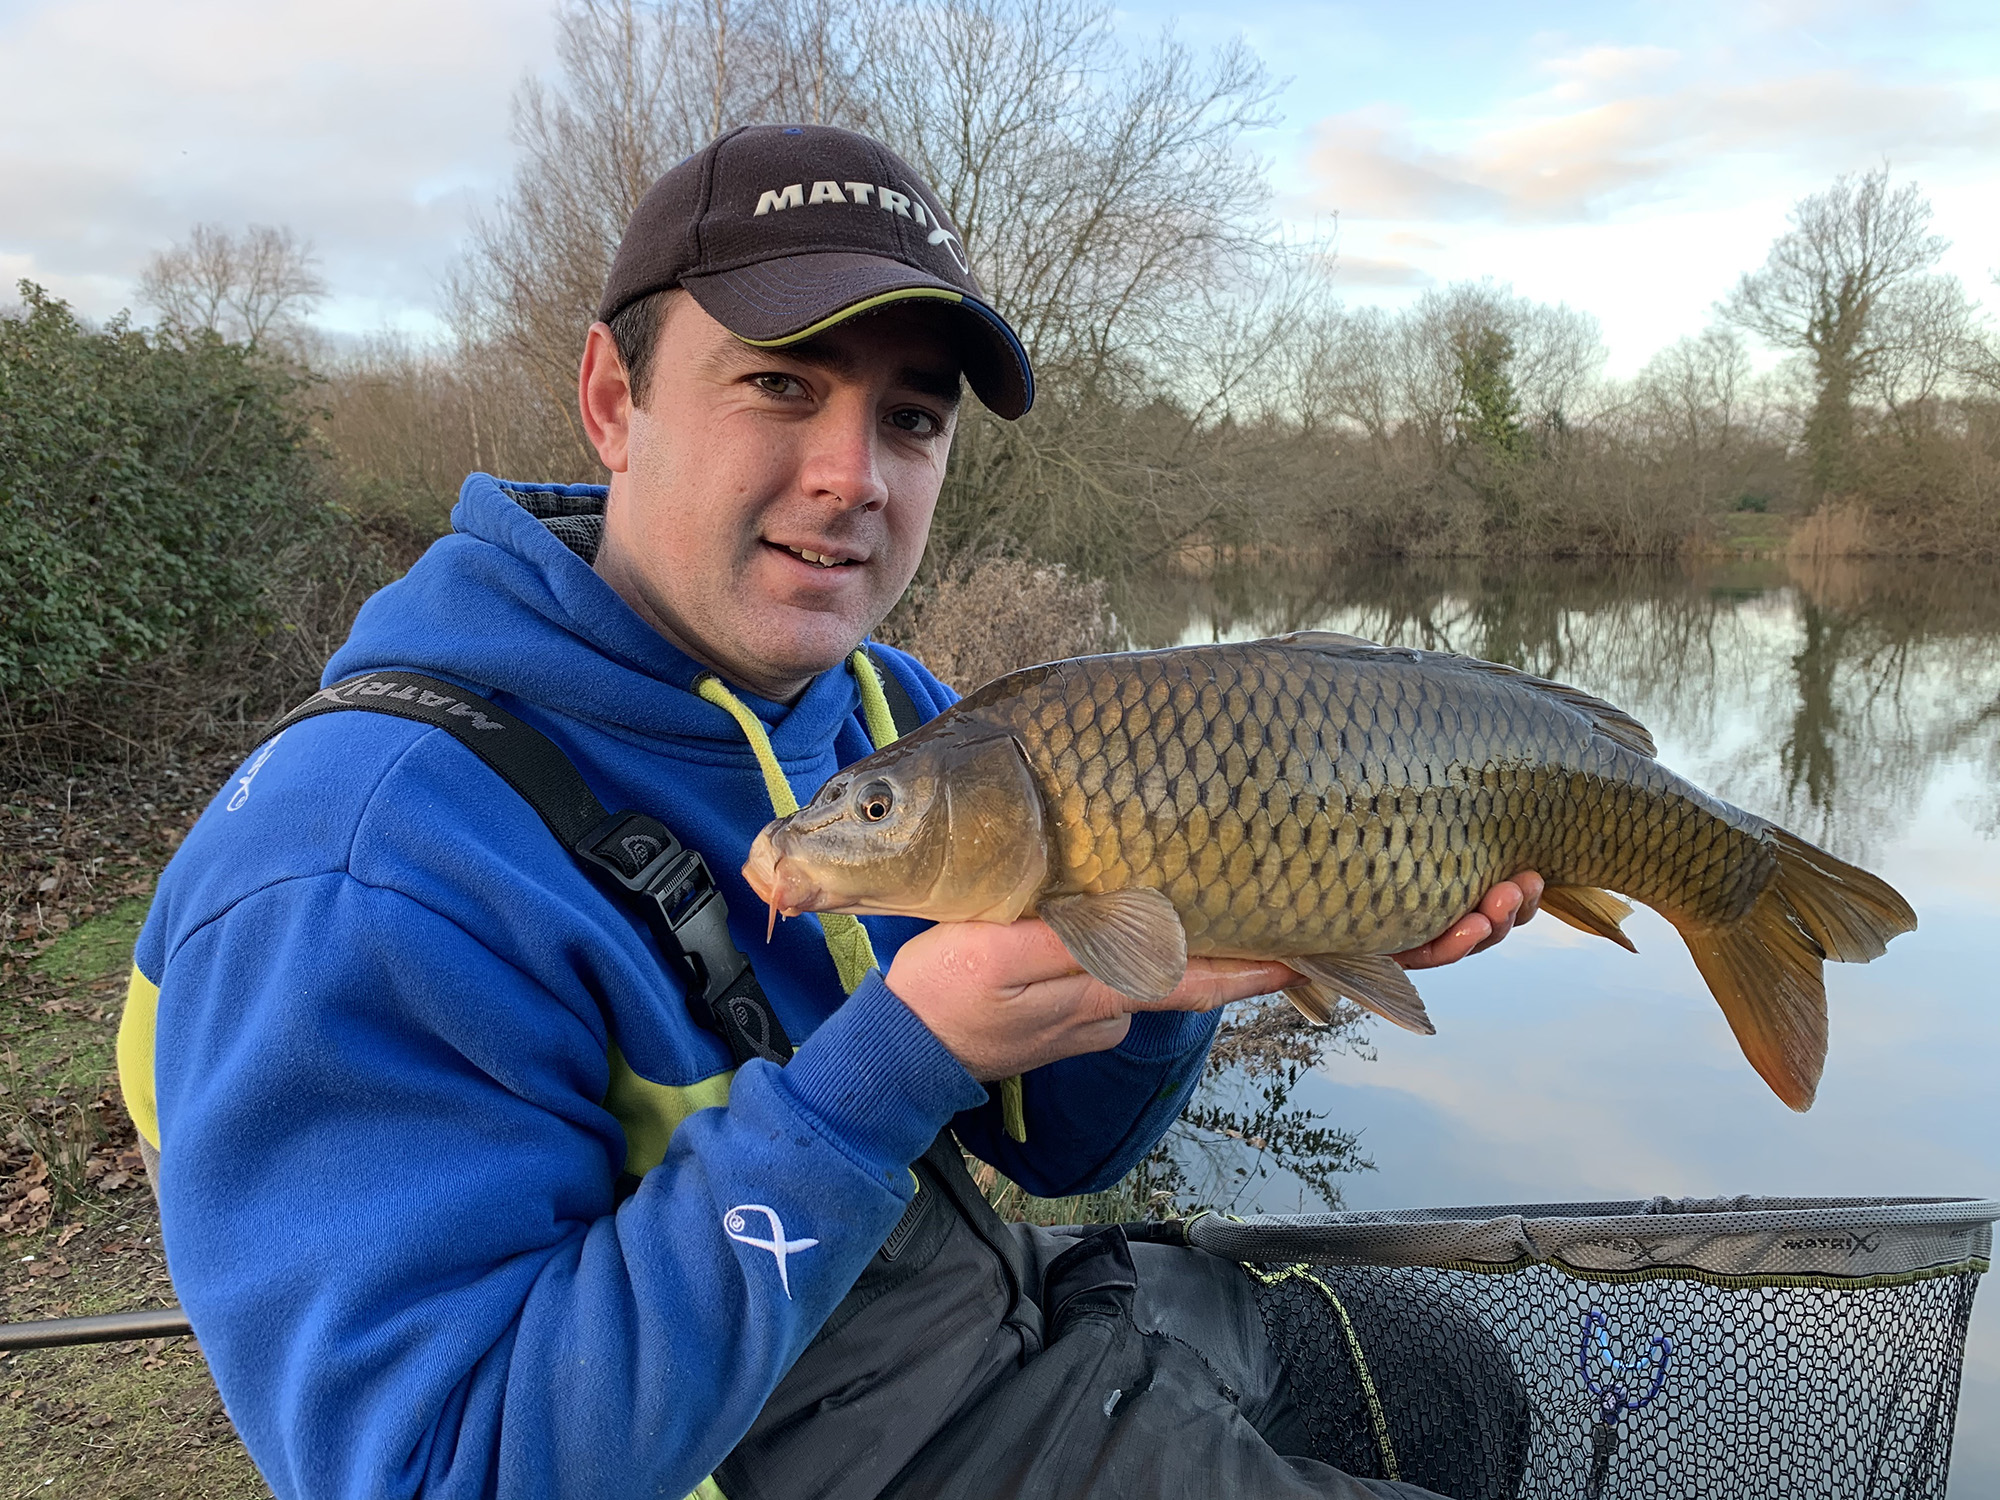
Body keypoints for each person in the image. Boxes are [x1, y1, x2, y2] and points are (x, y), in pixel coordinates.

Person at [120, 124, 1541, 1500]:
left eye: (909, 419)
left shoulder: (885, 710)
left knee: (1451, 1390)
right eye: (783, 387)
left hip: (959, 1335)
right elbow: (446, 1472)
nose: (854, 478)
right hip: (709, 1452)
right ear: (616, 400)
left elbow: (1059, 1150)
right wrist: (886, 1070)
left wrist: (1183, 940)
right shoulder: (360, 867)